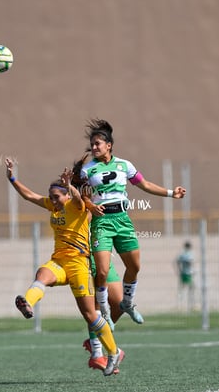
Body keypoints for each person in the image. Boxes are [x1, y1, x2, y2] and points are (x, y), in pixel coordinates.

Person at [5, 158, 124, 376]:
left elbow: (79, 198)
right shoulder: (54, 205)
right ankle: (27, 304)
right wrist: (12, 178)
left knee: (90, 315)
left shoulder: (76, 205)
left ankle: (114, 351)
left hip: (79, 264)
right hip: (59, 262)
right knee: (42, 273)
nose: (53, 201)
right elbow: (29, 196)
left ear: (66, 195)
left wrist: (70, 186)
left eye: (56, 197)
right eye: (51, 197)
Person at [80, 118, 186, 327]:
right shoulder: (87, 170)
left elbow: (144, 184)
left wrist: (171, 192)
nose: (94, 147)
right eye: (92, 144)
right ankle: (106, 311)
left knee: (134, 267)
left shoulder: (124, 165)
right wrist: (91, 206)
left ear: (108, 145)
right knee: (101, 271)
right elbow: (82, 196)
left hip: (122, 220)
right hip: (101, 223)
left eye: (97, 144)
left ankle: (127, 303)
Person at [71, 156, 124, 372]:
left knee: (119, 303)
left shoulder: (98, 194)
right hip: (85, 254)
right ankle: (97, 353)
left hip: (100, 252)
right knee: (94, 307)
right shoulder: (77, 197)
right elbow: (81, 204)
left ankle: (95, 342)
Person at [176, 241, 195, 311]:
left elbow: (177, 261)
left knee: (182, 289)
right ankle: (190, 305)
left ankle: (180, 305)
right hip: (188, 274)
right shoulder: (189, 254)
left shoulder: (182, 254)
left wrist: (179, 270)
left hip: (183, 273)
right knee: (190, 289)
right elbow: (190, 262)